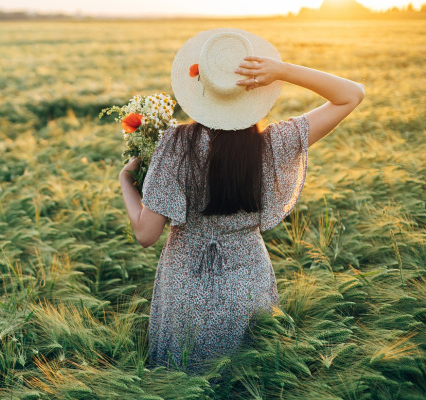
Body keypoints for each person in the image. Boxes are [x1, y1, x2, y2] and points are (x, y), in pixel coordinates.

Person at [118, 28, 365, 374]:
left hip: (184, 287)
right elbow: (352, 94)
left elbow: (146, 234)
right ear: (254, 91)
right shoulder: (275, 142)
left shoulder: (176, 143)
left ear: (200, 86)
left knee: (183, 382)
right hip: (246, 284)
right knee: (246, 379)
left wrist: (127, 183)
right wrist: (281, 70)